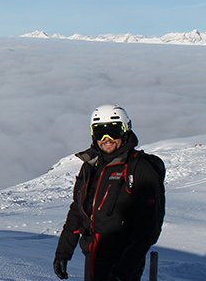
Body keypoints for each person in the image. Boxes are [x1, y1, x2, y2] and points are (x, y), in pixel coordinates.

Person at [53, 105, 165, 281]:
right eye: (99, 132)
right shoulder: (90, 166)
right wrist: (63, 252)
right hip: (93, 256)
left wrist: (124, 271)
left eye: (114, 130)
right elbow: (78, 210)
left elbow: (148, 229)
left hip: (122, 261)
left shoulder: (139, 169)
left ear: (125, 130)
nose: (107, 138)